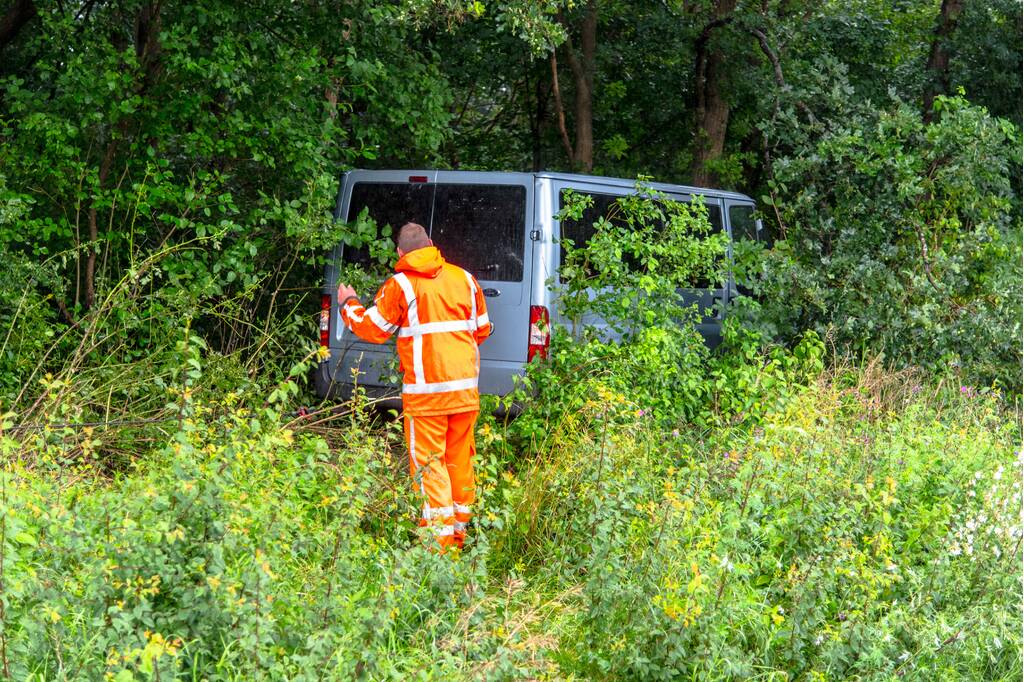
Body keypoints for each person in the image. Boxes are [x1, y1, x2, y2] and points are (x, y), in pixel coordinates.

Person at [337, 222, 492, 550]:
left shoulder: (401, 286)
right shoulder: (464, 279)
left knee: (430, 466)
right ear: (432, 245)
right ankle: (461, 538)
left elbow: (372, 329)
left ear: (400, 253)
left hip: (427, 397)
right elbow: (481, 331)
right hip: (465, 393)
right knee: (459, 462)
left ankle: (438, 551)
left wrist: (347, 303)